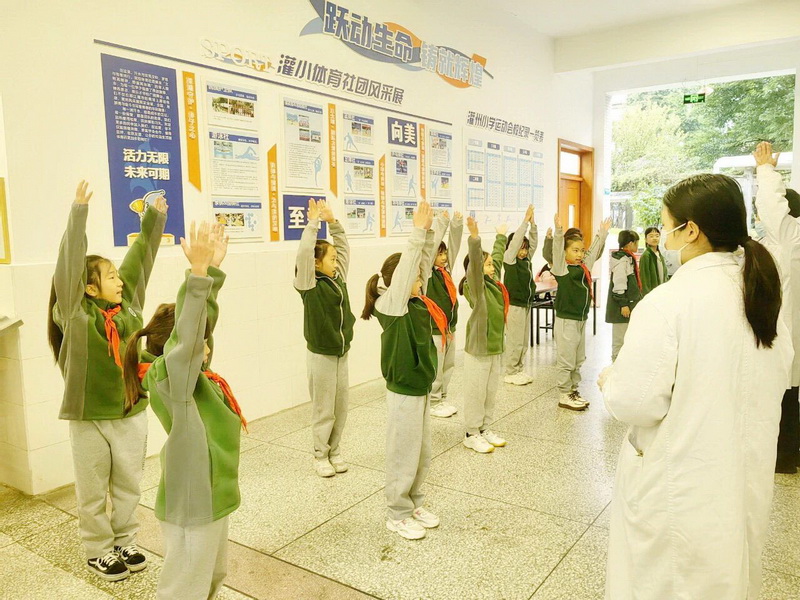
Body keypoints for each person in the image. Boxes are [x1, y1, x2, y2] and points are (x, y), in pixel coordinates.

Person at [600, 173, 792, 599]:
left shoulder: (669, 302)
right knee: (730, 575)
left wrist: (610, 379)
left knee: (670, 581)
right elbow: (777, 372)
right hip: (742, 477)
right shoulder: (761, 295)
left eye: (667, 223)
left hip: (682, 485)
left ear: (691, 230)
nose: (663, 232)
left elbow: (634, 402)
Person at [48, 181, 166, 580]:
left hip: (131, 412)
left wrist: (154, 218)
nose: (119, 281)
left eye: (117, 276)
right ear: (88, 287)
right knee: (93, 489)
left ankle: (125, 541)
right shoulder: (75, 314)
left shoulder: (128, 307)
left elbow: (141, 258)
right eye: (110, 277)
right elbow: (67, 267)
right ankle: (97, 549)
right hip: (89, 418)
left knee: (129, 485)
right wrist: (78, 213)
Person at [125, 222, 246, 599]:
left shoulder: (194, 377)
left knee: (212, 575)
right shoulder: (170, 379)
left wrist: (212, 274)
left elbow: (197, 329)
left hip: (211, 497)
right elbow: (190, 336)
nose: (207, 345)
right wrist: (197, 274)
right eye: (199, 342)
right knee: (185, 586)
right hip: (193, 500)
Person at [362, 200, 444, 540]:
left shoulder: (413, 301)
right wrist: (417, 233)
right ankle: (397, 513)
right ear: (399, 280)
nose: (421, 279)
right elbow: (412, 263)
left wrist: (431, 231)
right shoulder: (391, 305)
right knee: (403, 454)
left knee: (421, 453)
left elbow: (420, 262)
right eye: (415, 277)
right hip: (403, 391)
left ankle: (413, 503)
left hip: (420, 387)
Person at [294, 199, 355, 477]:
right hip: (321, 355)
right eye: (330, 259)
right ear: (316, 263)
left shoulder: (338, 279)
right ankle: (320, 455)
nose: (336, 262)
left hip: (341, 353)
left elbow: (344, 250)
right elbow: (304, 254)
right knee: (323, 409)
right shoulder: (308, 284)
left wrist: (333, 223)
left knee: (340, 408)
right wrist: (313, 224)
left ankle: (335, 450)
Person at [754, 141, 800, 474]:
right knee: (790, 393)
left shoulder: (788, 236)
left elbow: (771, 207)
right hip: (791, 330)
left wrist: (765, 169)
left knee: (783, 395)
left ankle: (783, 457)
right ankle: (790, 453)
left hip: (787, 329)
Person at [459, 216, 509, 453]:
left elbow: (497, 258)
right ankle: (471, 433)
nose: (492, 268)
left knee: (490, 392)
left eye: (491, 265)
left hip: (495, 348)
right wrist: (474, 238)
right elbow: (477, 265)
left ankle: (485, 428)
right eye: (486, 265)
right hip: (479, 349)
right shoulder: (476, 287)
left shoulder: (494, 282)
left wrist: (501, 236)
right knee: (476, 393)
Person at [551, 213, 611, 410]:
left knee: (578, 359)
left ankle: (573, 390)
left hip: (580, 319)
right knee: (566, 359)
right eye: (574, 250)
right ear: (565, 252)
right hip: (566, 320)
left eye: (581, 251)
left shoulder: (584, 267)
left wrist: (602, 233)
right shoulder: (562, 269)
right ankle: (564, 394)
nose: (579, 254)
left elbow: (593, 252)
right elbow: (557, 250)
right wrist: (558, 232)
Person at [494, 206, 537, 386]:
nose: (524, 252)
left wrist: (533, 225)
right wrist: (525, 222)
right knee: (515, 340)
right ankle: (510, 371)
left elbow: (534, 243)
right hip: (514, 305)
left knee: (523, 341)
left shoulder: (526, 260)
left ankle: (518, 369)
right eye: (521, 248)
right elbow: (516, 241)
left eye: (525, 249)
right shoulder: (509, 259)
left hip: (525, 304)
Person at [427, 210, 463, 418]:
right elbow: (431, 247)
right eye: (439, 254)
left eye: (444, 254)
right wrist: (441, 222)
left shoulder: (445, 271)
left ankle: (442, 397)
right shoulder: (427, 273)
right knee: (437, 366)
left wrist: (456, 224)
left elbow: (454, 247)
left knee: (448, 365)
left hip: (449, 328)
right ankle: (433, 401)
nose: (443, 258)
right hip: (435, 329)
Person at [606, 229, 642, 361]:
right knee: (620, 340)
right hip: (621, 307)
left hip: (628, 304)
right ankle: (616, 365)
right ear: (630, 243)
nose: (637, 245)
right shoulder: (621, 260)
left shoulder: (627, 258)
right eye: (636, 242)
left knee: (627, 338)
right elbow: (619, 284)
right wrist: (623, 304)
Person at [639, 226, 668, 296]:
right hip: (652, 294)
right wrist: (647, 295)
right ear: (646, 239)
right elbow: (644, 279)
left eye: (657, 236)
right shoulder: (646, 256)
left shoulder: (660, 254)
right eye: (651, 236)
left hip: (661, 291)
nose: (655, 238)